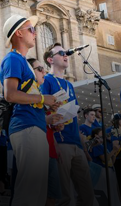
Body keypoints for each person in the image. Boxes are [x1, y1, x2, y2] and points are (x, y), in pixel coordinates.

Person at [0, 15, 56, 206]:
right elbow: (10, 95)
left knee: (37, 193)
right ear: (19, 33)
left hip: (34, 126)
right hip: (26, 127)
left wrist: (46, 105)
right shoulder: (13, 59)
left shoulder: (21, 62)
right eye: (31, 29)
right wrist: (42, 98)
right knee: (29, 191)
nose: (36, 33)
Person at [41, 44, 94, 206]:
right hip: (60, 142)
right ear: (50, 60)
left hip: (76, 144)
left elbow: (74, 116)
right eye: (62, 53)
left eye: (67, 53)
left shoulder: (69, 85)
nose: (66, 55)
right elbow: (43, 110)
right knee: (64, 195)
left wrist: (84, 148)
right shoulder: (47, 81)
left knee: (87, 194)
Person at [29, 57, 66, 206]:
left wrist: (54, 124)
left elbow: (45, 122)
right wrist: (48, 121)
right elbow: (29, 120)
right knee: (37, 194)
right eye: (39, 69)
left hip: (50, 148)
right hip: (37, 149)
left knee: (53, 194)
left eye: (43, 68)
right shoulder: (28, 95)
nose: (44, 71)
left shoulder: (40, 96)